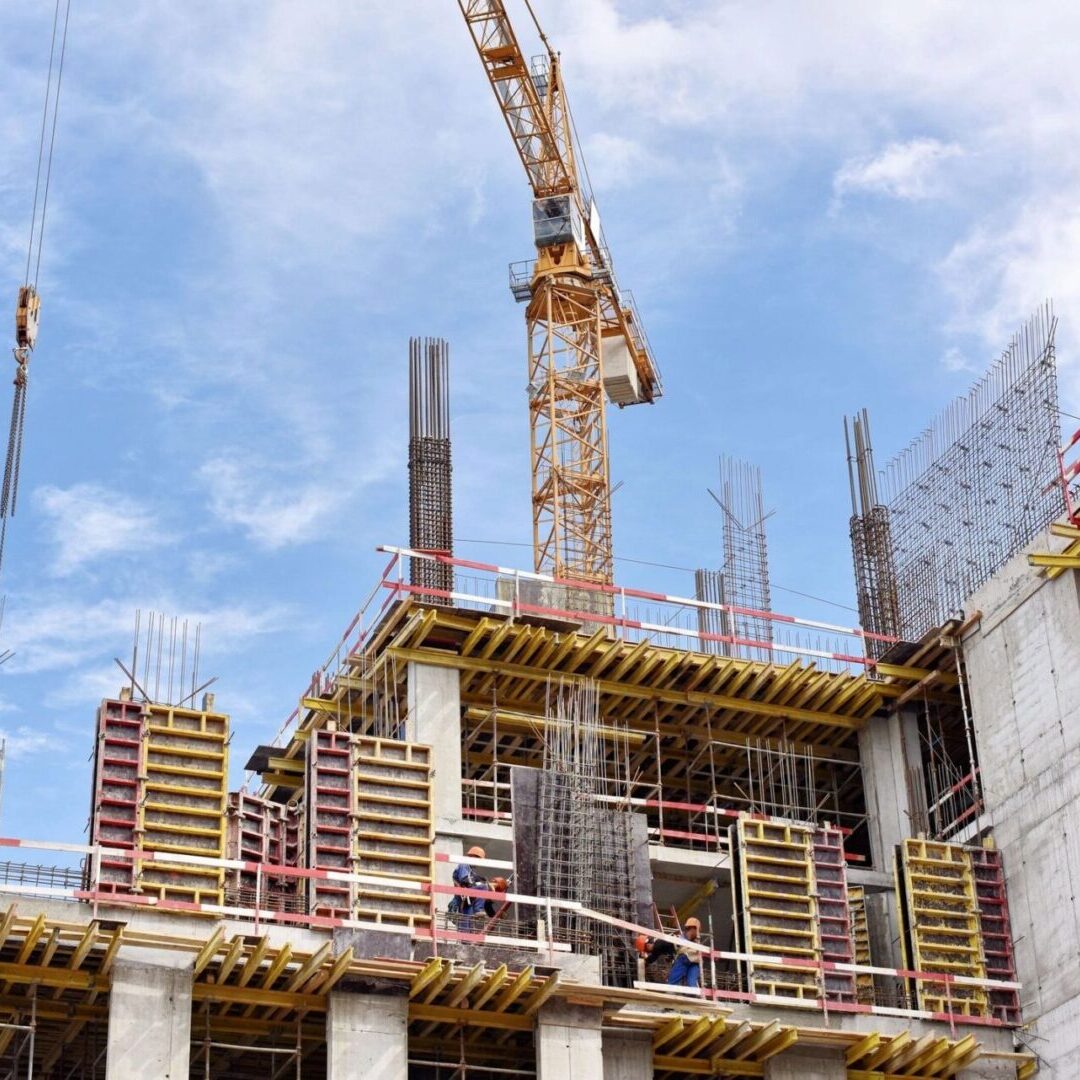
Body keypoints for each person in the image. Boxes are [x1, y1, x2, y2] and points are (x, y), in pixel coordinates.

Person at [448, 846, 488, 927]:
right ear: (473, 856)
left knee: (466, 928)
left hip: (467, 901)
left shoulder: (470, 870)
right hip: (462, 898)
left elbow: (472, 879)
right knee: (483, 887)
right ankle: (478, 909)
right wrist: (480, 882)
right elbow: (465, 880)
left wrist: (482, 880)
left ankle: (466, 938)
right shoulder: (464, 864)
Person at [667, 916, 702, 989]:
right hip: (690, 959)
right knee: (690, 983)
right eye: (697, 930)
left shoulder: (692, 939)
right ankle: (692, 995)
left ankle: (671, 991)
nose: (697, 933)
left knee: (688, 983)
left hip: (690, 959)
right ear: (693, 928)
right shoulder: (684, 937)